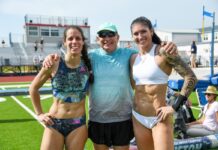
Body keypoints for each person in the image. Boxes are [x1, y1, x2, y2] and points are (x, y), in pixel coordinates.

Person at [43, 22, 178, 150]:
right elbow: (70, 59)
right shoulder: (89, 57)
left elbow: (148, 52)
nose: (107, 38)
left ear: (117, 37)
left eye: (110, 34)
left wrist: (166, 45)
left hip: (123, 119)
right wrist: (51, 57)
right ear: (97, 39)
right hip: (98, 119)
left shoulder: (129, 54)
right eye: (103, 35)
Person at [129, 16, 197, 150]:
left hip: (159, 117)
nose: (140, 36)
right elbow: (133, 86)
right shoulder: (132, 58)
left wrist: (173, 107)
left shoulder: (163, 52)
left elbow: (191, 77)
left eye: (143, 31)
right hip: (138, 117)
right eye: (136, 33)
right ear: (132, 36)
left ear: (151, 31)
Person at [29, 25, 94, 150]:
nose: (74, 42)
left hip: (78, 125)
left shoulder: (89, 65)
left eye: (78, 38)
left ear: (82, 41)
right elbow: (33, 88)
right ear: (64, 42)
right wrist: (40, 114)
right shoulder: (54, 63)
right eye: (70, 39)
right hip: (54, 123)